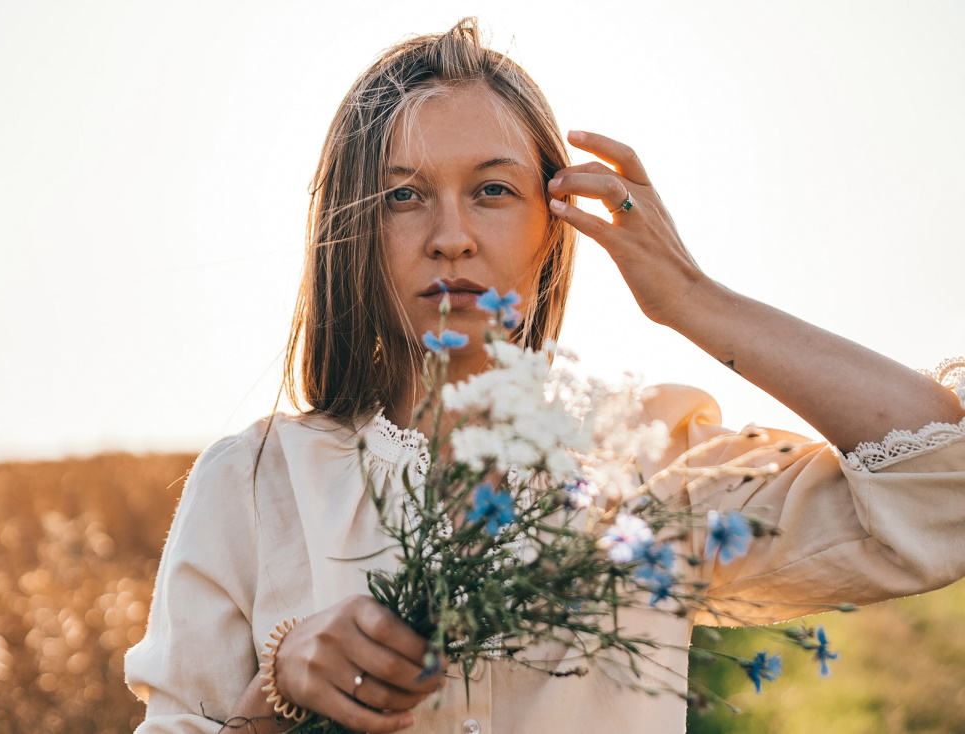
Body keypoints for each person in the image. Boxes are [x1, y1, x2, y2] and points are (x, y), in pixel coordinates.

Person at [125, 18, 965, 734]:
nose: (450, 236)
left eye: (492, 190)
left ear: (551, 231)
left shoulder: (648, 468)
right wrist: (277, 689)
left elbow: (944, 485)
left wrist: (689, 296)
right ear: (350, 235)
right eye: (402, 198)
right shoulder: (251, 485)